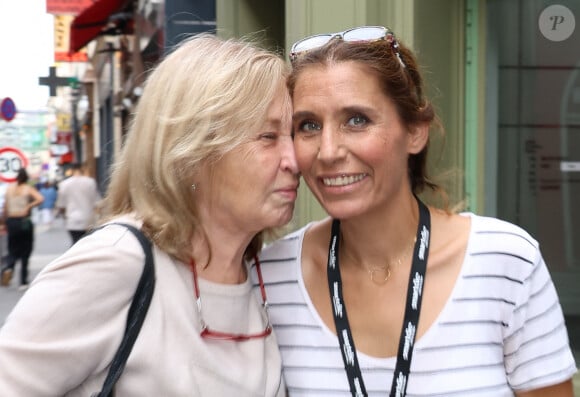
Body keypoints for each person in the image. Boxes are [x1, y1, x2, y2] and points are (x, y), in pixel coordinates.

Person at [257, 26, 577, 396]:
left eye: (356, 120)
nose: (328, 151)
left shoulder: (505, 263)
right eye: (309, 125)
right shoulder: (271, 277)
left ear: (415, 132)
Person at [0, 33, 298, 396]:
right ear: (192, 152)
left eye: (295, 133)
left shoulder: (266, 272)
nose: (295, 160)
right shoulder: (115, 263)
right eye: (268, 136)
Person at [0, 168, 44, 289]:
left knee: (12, 248)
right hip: (24, 221)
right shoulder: (28, 188)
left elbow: (5, 208)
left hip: (11, 221)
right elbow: (40, 199)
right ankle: (23, 281)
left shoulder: (9, 189)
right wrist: (29, 205)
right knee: (26, 250)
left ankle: (9, 268)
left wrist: (3, 223)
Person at [56, 163, 101, 244]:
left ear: (72, 170)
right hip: (88, 219)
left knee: (75, 243)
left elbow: (61, 205)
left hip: (72, 220)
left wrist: (64, 216)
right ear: (82, 169)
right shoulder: (90, 182)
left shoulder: (64, 184)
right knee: (87, 244)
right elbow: (97, 202)